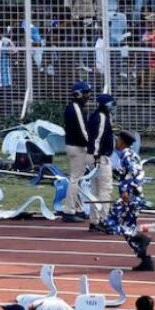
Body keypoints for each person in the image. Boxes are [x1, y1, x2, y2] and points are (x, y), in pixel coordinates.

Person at [104, 131, 155, 271]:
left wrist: (126, 190)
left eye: (118, 140)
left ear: (122, 141)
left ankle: (141, 238)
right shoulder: (130, 155)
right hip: (132, 196)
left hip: (130, 197)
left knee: (110, 222)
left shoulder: (127, 156)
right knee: (127, 226)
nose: (116, 142)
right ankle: (146, 260)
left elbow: (133, 174)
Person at [62, 81, 92, 223]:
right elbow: (82, 130)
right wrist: (91, 145)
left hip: (74, 146)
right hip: (77, 147)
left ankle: (78, 209)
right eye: (86, 93)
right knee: (75, 179)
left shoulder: (73, 107)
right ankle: (69, 210)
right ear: (78, 94)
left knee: (78, 179)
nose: (88, 96)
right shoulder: (75, 108)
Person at [86, 93, 115, 231]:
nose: (112, 107)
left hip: (95, 157)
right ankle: (104, 220)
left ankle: (94, 220)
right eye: (110, 104)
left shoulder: (97, 116)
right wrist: (96, 156)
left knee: (95, 190)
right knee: (105, 189)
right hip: (100, 157)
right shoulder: (101, 118)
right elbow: (96, 139)